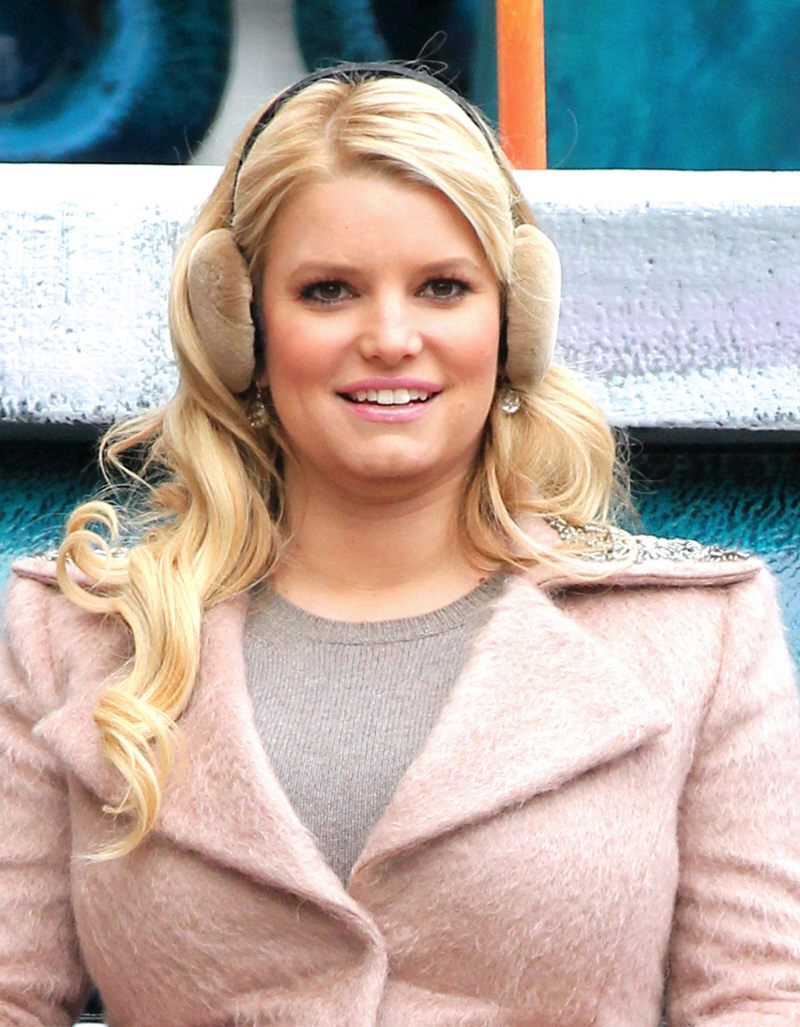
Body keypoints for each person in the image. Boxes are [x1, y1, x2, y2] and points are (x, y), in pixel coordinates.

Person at [1, 64, 799, 1027]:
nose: (390, 337)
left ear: (514, 319)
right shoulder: (72, 633)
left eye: (443, 288)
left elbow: (762, 1001)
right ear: (240, 323)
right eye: (329, 291)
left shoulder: (702, 632)